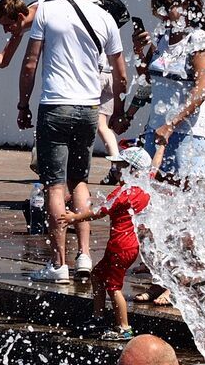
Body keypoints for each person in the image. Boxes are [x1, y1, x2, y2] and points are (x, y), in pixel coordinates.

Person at [18, 0, 127, 283]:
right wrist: (119, 109)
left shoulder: (47, 11)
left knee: (54, 184)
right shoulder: (105, 18)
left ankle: (58, 263)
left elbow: (31, 63)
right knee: (80, 180)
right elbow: (121, 73)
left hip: (54, 106)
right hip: (88, 109)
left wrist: (22, 103)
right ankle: (83, 256)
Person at [132, 0, 205, 185]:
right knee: (152, 193)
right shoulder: (163, 37)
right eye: (159, 8)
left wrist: (171, 125)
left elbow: (202, 88)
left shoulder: (198, 39)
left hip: (188, 132)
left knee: (184, 197)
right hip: (157, 128)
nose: (161, 14)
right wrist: (138, 50)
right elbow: (148, 80)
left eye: (166, 6)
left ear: (185, 4)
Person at [60, 146, 153, 341]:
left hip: (120, 246)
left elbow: (99, 212)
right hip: (129, 246)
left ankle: (124, 328)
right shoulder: (144, 191)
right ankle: (98, 317)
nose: (115, 171)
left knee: (114, 287)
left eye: (119, 167)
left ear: (131, 170)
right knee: (97, 275)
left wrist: (75, 217)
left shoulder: (122, 193)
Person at [86, 0, 131, 170]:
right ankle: (116, 164)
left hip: (95, 74)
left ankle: (77, 169)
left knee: (85, 124)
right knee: (101, 125)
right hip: (109, 74)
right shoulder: (109, 13)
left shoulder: (87, 8)